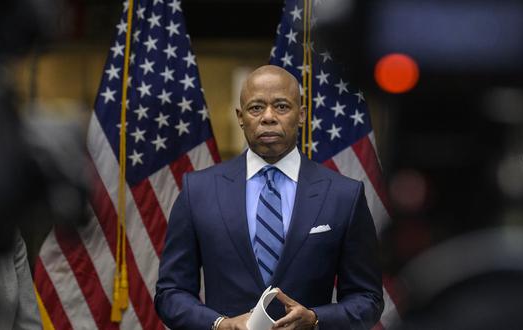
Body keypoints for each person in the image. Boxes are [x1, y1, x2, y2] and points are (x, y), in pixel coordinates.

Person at [155, 65, 383, 329]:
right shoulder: (198, 191)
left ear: (302, 115)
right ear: (240, 117)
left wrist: (316, 319)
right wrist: (221, 325)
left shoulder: (344, 195)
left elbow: (368, 298)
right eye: (256, 108)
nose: (268, 117)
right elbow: (170, 293)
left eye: (282, 106)